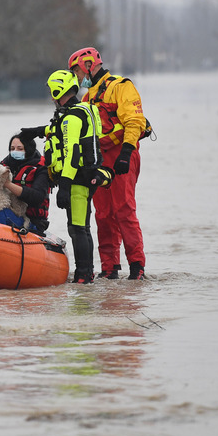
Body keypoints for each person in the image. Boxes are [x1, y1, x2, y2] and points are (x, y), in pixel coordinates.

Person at [69, 47, 148, 280]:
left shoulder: (121, 86)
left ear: (87, 65)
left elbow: (135, 121)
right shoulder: (87, 97)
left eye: (76, 71)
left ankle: (137, 266)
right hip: (99, 158)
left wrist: (126, 151)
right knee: (103, 214)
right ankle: (109, 267)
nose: (76, 77)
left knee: (124, 210)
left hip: (122, 154)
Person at [33, 70, 112, 284]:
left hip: (77, 179)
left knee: (78, 228)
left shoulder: (71, 118)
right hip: (85, 176)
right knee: (80, 227)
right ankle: (87, 273)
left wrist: (65, 185)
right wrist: (38, 130)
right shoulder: (81, 110)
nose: (51, 96)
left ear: (59, 90)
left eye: (52, 91)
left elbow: (72, 154)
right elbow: (63, 132)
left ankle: (84, 276)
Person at [0, 133, 51, 236]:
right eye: (12, 148)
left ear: (28, 149)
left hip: (33, 220)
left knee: (1, 213)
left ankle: (0, 240)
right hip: (13, 211)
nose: (15, 151)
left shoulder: (41, 169)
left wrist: (7, 184)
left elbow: (38, 197)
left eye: (20, 148)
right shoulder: (7, 164)